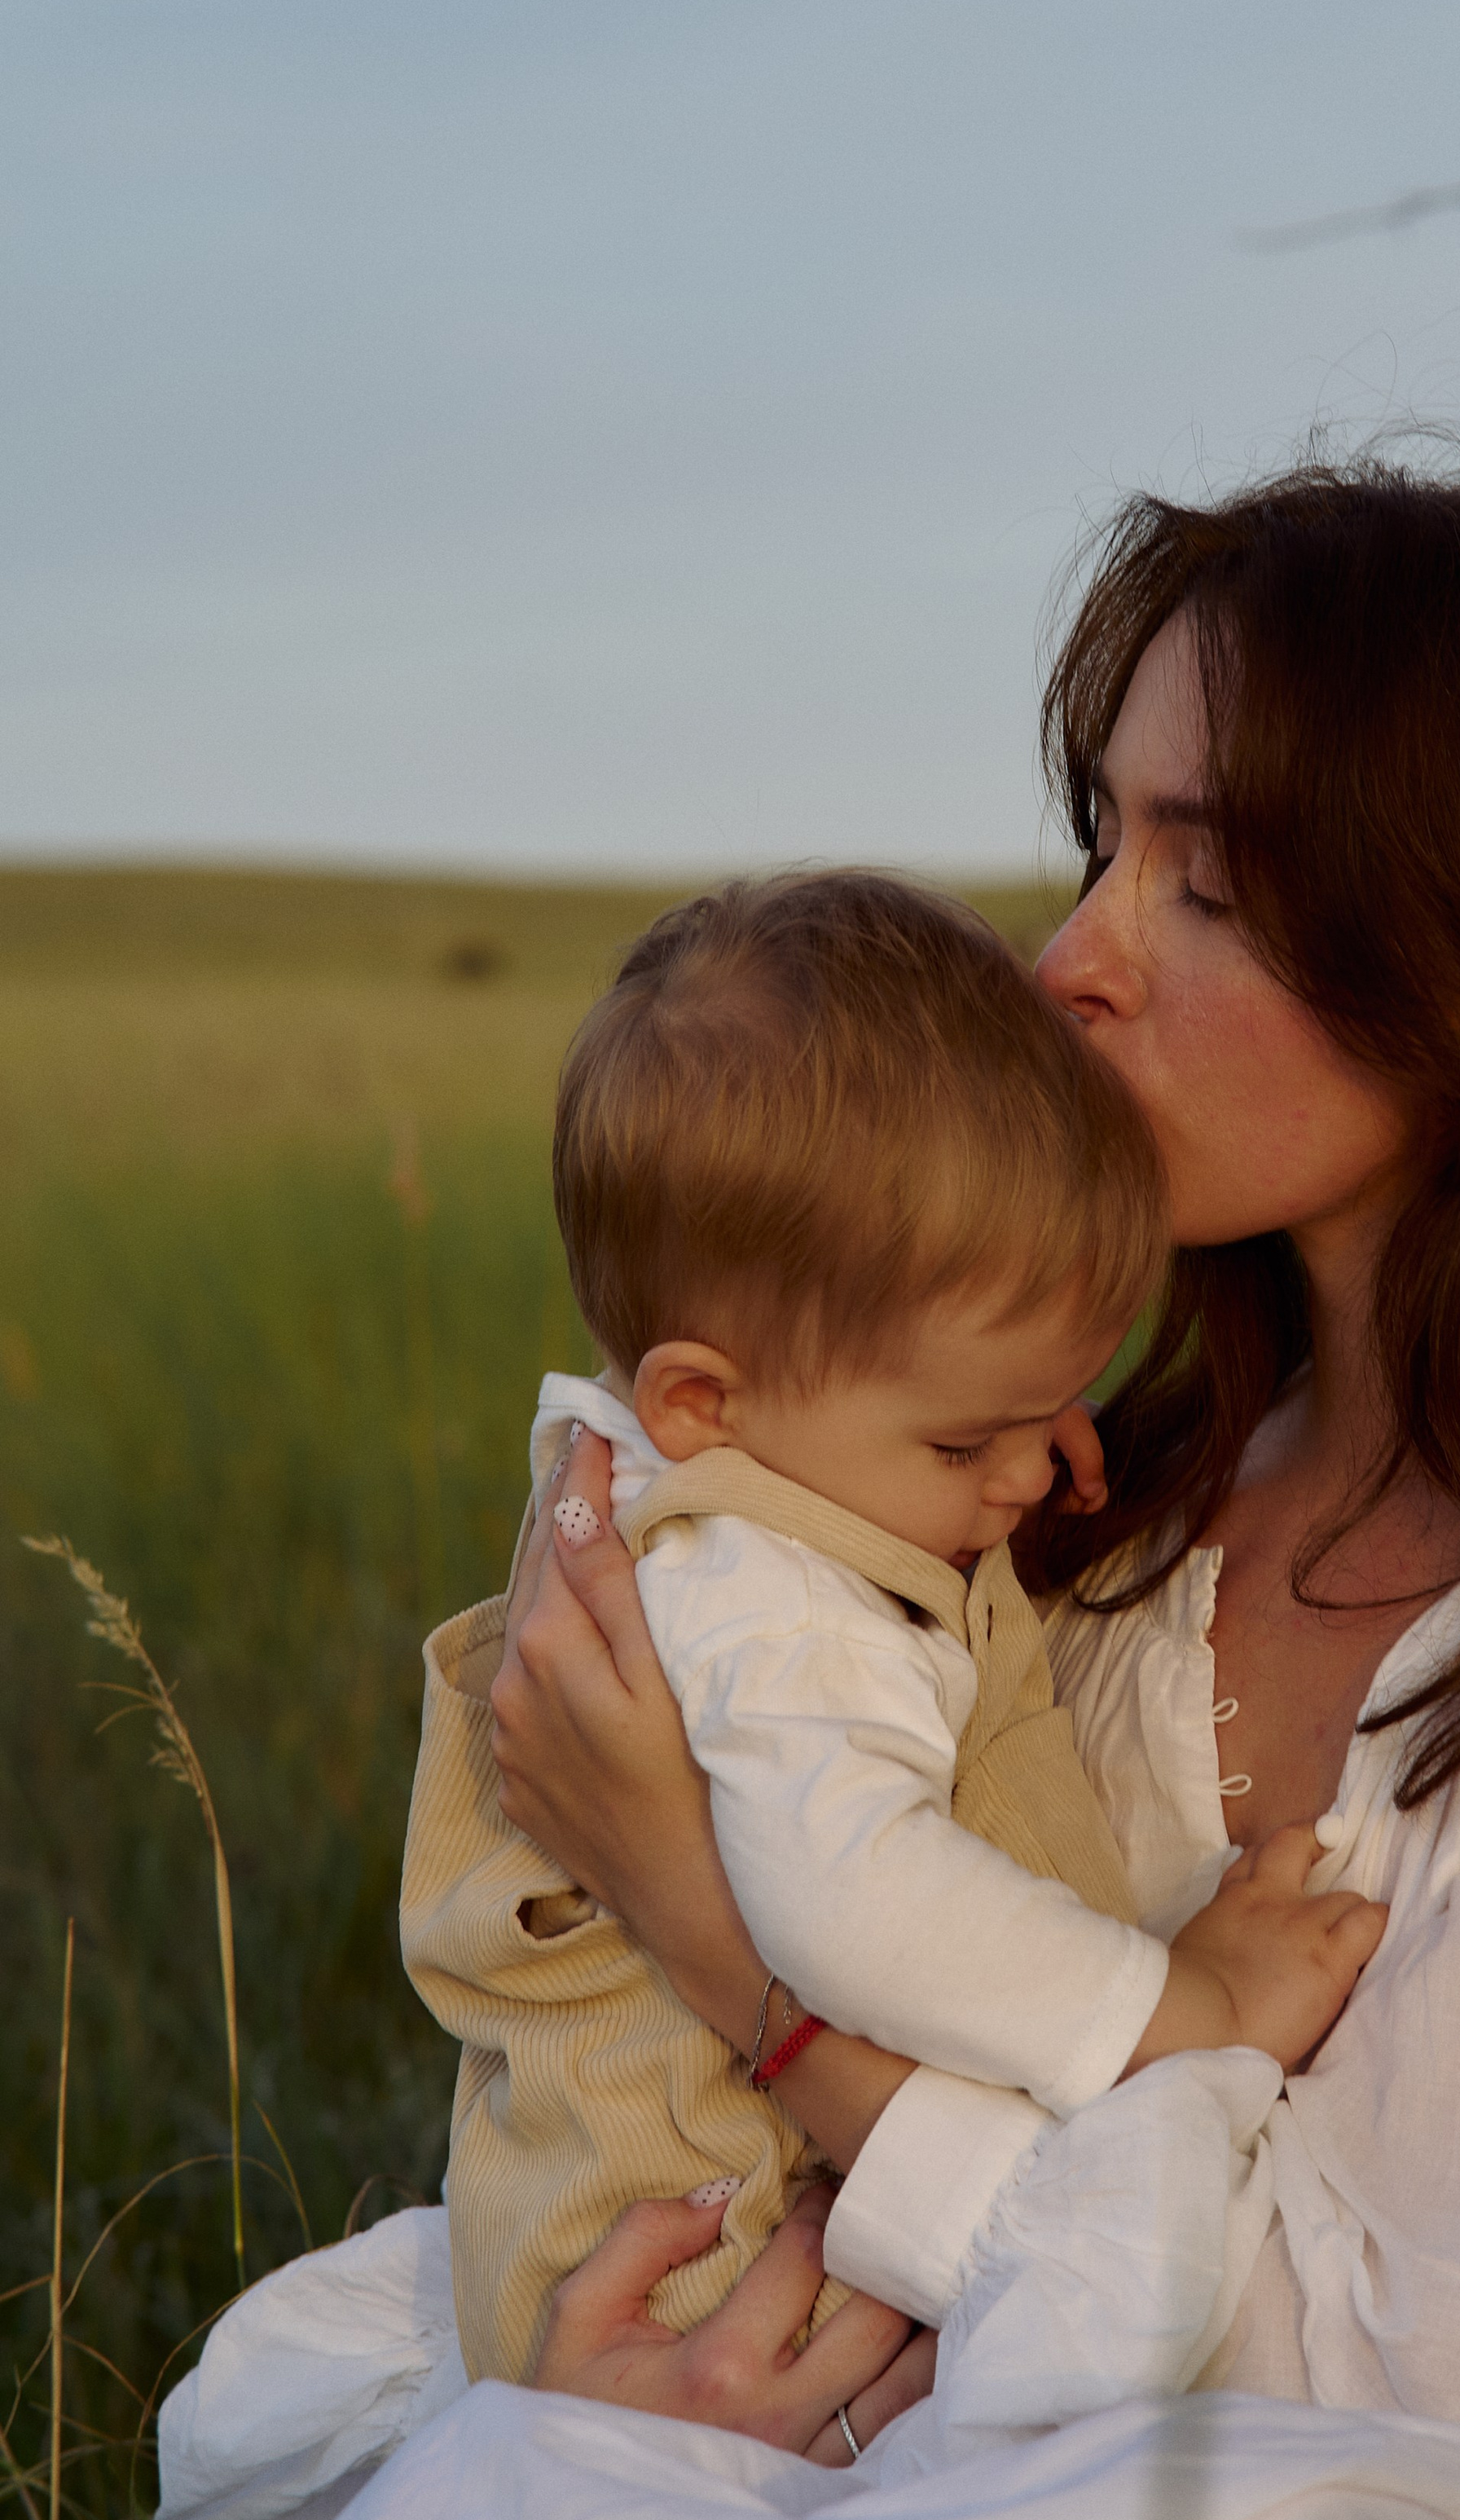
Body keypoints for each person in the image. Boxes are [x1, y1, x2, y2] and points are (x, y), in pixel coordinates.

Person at [164, 463, 1460, 2520]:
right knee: (471, 2470)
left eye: (1211, 880)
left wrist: (738, 1953)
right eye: (1104, 843)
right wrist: (642, 2352)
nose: (1071, 960)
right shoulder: (1090, 1520)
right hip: (1005, 2442)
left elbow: (1387, 2394)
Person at [403, 868, 1379, 2386]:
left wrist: (979, 1419)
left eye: (1051, 1402)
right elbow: (854, 1898)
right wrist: (1186, 2006)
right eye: (958, 1443)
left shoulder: (768, 1464)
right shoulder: (761, 1591)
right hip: (708, 2285)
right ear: (702, 1404)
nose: (1022, 1472)